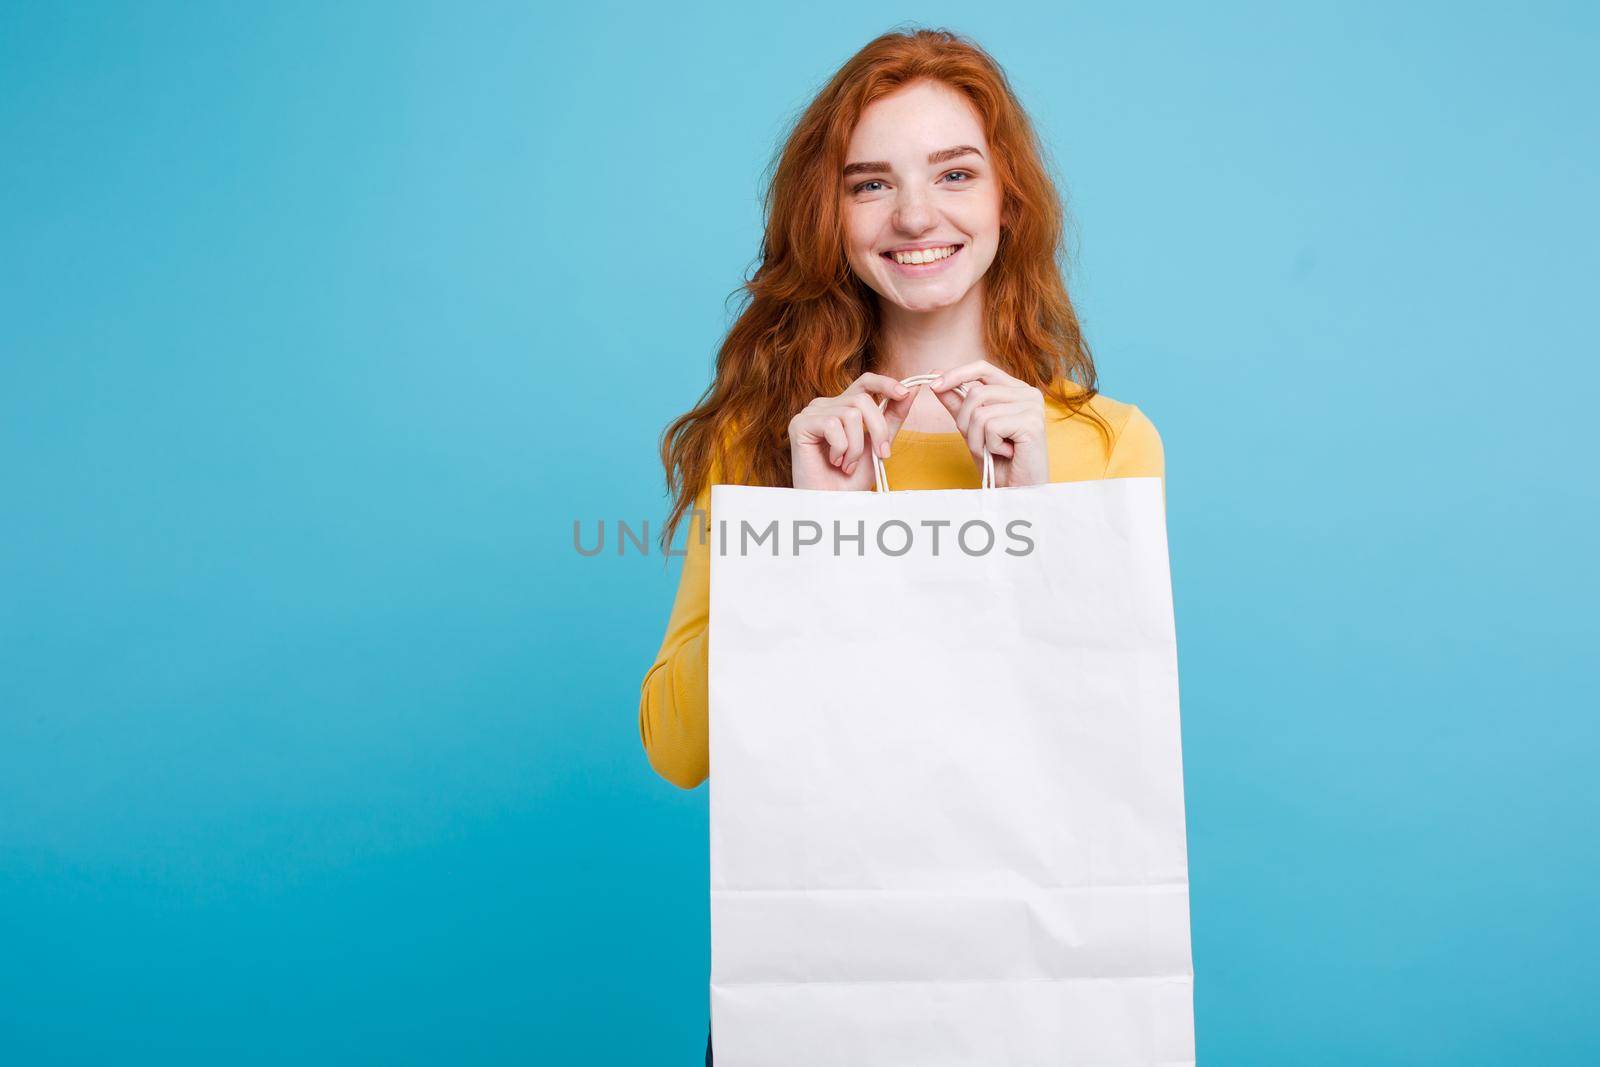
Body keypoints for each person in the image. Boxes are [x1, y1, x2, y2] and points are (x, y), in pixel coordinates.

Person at [637, 28, 1165, 1063]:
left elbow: (1114, 745)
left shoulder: (1105, 443)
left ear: (1006, 199)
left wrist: (1035, 528)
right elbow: (677, 747)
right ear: (828, 220)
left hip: (1038, 991)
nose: (916, 215)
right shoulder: (768, 440)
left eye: (954, 173)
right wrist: (805, 535)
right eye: (870, 183)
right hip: (819, 992)